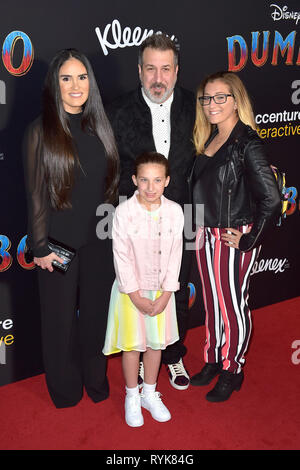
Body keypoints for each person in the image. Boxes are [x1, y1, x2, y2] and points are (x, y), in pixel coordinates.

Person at [23, 48, 119, 408]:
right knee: (60, 323)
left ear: (91, 82)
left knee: (95, 318)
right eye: (66, 78)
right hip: (58, 245)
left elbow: (109, 184)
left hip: (99, 241)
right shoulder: (40, 131)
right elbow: (35, 195)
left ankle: (95, 380)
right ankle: (64, 390)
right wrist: (40, 246)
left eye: (82, 77)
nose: (75, 85)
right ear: (55, 84)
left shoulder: (100, 124)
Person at [106, 33, 195, 390]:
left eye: (166, 69)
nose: (158, 78)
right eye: (151, 69)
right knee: (138, 291)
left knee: (175, 286)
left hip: (181, 216)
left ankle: (172, 355)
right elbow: (107, 167)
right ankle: (142, 360)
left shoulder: (195, 105)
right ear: (139, 71)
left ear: (176, 71)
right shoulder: (117, 111)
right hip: (136, 219)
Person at [190, 71, 280, 402]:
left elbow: (272, 198)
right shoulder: (208, 138)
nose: (211, 104)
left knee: (231, 306)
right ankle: (214, 359)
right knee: (212, 304)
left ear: (236, 100)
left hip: (233, 234)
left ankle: (233, 369)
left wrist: (249, 239)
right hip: (204, 233)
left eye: (220, 97)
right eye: (206, 98)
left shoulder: (247, 143)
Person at [103, 152, 184, 427]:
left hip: (162, 292)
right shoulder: (124, 212)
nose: (151, 188)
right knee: (132, 346)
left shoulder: (174, 211)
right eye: (145, 180)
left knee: (155, 343)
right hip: (130, 293)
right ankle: (131, 396)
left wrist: (165, 294)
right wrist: (136, 296)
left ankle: (149, 392)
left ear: (167, 181)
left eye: (157, 180)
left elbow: (175, 256)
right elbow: (121, 256)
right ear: (135, 180)